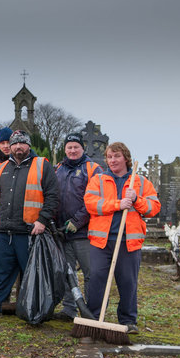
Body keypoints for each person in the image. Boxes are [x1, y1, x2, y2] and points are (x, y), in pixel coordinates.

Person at [0, 130, 59, 318]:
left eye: (22, 143)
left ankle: (34, 309)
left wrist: (42, 220)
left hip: (29, 231)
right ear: (9, 147)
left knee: (32, 274)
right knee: (1, 271)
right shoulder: (2, 168)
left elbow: (52, 196)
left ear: (29, 145)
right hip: (4, 230)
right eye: (14, 144)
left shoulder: (42, 165)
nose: (18, 147)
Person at [84, 142, 159, 334]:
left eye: (116, 156)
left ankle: (128, 320)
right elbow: (91, 203)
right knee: (97, 279)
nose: (112, 160)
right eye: (109, 157)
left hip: (129, 241)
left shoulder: (140, 182)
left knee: (127, 281)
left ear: (125, 158)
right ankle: (93, 318)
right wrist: (118, 204)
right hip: (101, 241)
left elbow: (153, 208)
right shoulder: (99, 179)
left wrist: (136, 199)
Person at [52, 133, 102, 321]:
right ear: (65, 149)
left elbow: (94, 199)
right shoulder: (59, 168)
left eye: (76, 147)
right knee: (67, 272)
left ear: (82, 149)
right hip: (63, 232)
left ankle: (91, 311)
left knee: (90, 273)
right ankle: (69, 309)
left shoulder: (93, 169)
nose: (72, 150)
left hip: (84, 232)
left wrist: (77, 221)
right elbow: (54, 196)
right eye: (69, 147)